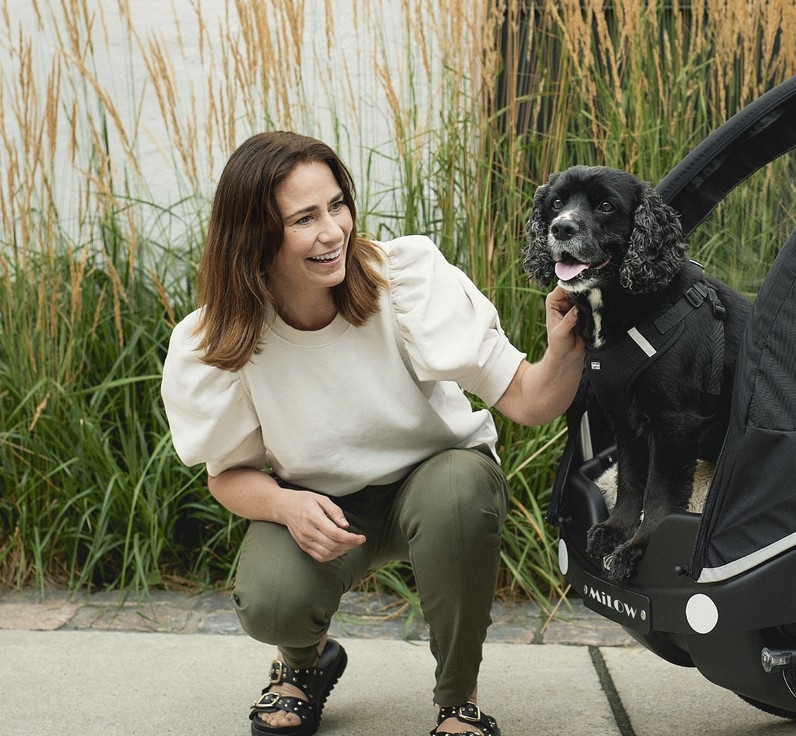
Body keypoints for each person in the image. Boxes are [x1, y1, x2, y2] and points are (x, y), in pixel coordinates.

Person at [161, 130, 584, 736]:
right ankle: (303, 667)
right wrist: (285, 506)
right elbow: (226, 476)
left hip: (433, 485)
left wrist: (562, 345)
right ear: (254, 233)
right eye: (303, 218)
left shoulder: (402, 280)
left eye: (337, 204)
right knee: (271, 599)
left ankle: (458, 704)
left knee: (460, 491)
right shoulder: (218, 340)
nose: (333, 231)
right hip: (324, 507)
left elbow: (529, 399)